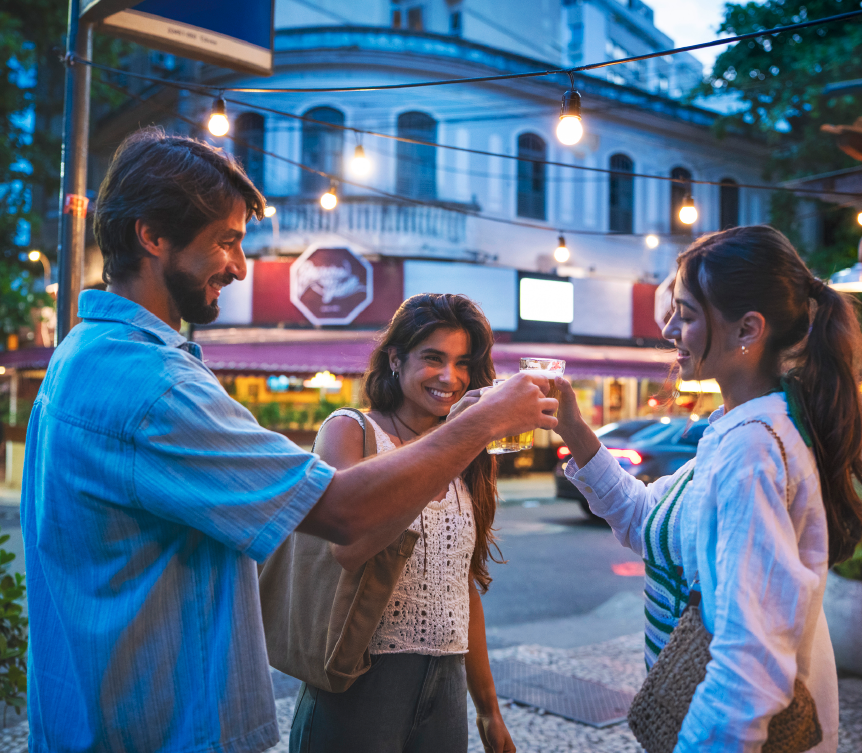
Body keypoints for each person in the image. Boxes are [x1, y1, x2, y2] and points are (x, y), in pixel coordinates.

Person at [21, 128, 557, 753]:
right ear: (152, 235)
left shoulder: (83, 355)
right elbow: (342, 515)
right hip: (157, 727)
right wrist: (485, 421)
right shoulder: (154, 386)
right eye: (225, 240)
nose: (240, 266)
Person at [554, 225, 862, 752]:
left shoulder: (754, 448)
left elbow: (749, 664)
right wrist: (573, 427)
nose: (670, 329)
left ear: (748, 330)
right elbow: (645, 519)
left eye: (688, 314)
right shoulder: (741, 427)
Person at [289, 293, 514, 753]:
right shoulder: (350, 429)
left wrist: (488, 709)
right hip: (360, 679)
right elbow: (348, 549)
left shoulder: (465, 452)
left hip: (446, 687)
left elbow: (461, 586)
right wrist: (451, 445)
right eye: (433, 358)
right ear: (396, 358)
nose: (450, 377)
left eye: (463, 363)